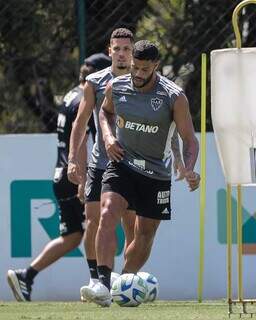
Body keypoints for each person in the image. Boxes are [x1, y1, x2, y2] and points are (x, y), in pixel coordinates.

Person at [81, 40, 200, 307]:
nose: (137, 74)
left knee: (144, 234)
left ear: (156, 67)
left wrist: (189, 169)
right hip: (122, 163)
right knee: (107, 212)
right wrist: (109, 137)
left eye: (144, 70)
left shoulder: (173, 96)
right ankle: (102, 282)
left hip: (156, 173)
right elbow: (105, 112)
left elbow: (190, 140)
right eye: (135, 67)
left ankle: (124, 284)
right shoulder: (117, 85)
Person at [6, 56, 111, 302]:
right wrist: (84, 178)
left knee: (74, 234)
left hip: (60, 173)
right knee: (97, 226)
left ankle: (26, 276)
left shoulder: (69, 95)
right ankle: (97, 283)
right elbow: (84, 138)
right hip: (76, 173)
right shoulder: (88, 99)